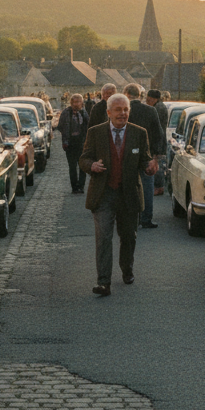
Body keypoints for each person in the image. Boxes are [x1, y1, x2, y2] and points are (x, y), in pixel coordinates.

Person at [79, 93, 158, 296]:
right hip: (103, 193)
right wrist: (92, 165)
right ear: (108, 112)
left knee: (128, 236)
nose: (122, 114)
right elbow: (84, 159)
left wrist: (150, 167)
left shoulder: (139, 133)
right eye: (118, 110)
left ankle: (127, 269)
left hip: (129, 193)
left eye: (125, 110)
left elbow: (145, 161)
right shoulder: (96, 132)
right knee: (104, 237)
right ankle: (103, 282)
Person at [124, 83, 164, 228]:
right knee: (147, 187)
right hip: (146, 155)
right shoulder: (151, 110)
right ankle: (146, 218)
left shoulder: (123, 111)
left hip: (126, 155)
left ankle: (130, 218)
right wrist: (155, 157)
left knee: (127, 187)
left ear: (126, 94)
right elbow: (159, 134)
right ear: (140, 95)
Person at [58, 93, 90, 193]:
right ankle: (74, 187)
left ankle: (81, 186)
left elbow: (89, 126)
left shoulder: (84, 113)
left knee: (82, 166)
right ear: (71, 103)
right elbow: (60, 126)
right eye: (74, 102)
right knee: (72, 166)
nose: (76, 104)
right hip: (70, 143)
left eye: (78, 102)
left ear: (82, 103)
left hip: (82, 143)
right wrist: (66, 136)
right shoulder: (66, 112)